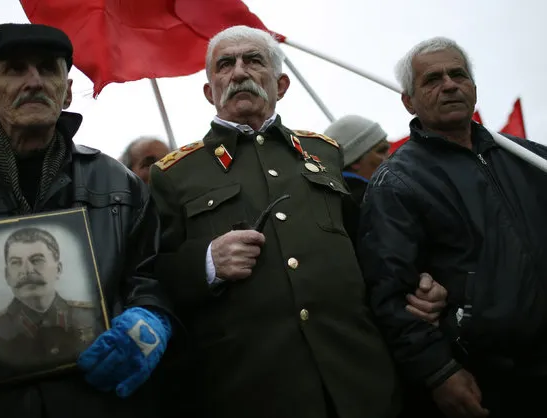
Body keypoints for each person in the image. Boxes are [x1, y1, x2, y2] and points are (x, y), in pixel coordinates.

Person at [149, 25, 447, 418]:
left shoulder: (325, 153)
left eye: (253, 60)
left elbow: (371, 248)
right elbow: (152, 277)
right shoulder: (174, 175)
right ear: (210, 91)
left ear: (282, 84)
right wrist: (206, 262)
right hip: (255, 392)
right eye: (225, 64)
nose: (238, 72)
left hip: (360, 381)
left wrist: (418, 280)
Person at [0, 23, 173, 418]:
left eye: (48, 69)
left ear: (66, 91)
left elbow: (152, 272)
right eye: (15, 69)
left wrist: (149, 316)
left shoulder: (117, 182)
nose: (34, 82)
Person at [357, 36, 547, 418]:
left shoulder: (530, 158)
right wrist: (438, 371)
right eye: (432, 79)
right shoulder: (396, 183)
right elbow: (390, 293)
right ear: (408, 101)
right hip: (491, 382)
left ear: (473, 89)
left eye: (458, 74)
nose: (449, 84)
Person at [0, 227, 99, 375]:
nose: (27, 271)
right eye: (16, 262)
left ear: (58, 269)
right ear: (7, 275)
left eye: (37, 260)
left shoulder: (91, 316)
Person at [324, 115, 390, 204]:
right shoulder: (381, 200)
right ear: (355, 161)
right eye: (381, 151)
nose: (390, 157)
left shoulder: (328, 204)